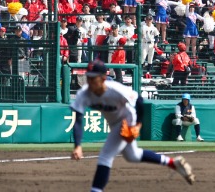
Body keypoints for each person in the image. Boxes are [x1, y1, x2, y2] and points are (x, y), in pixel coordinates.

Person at [70, 60, 194, 190]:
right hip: (114, 123)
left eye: (93, 78)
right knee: (132, 155)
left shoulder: (116, 90)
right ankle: (173, 163)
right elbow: (78, 119)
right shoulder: (84, 93)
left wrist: (138, 124)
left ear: (103, 78)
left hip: (127, 119)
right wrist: (77, 146)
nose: (89, 81)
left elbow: (139, 101)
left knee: (105, 156)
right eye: (88, 77)